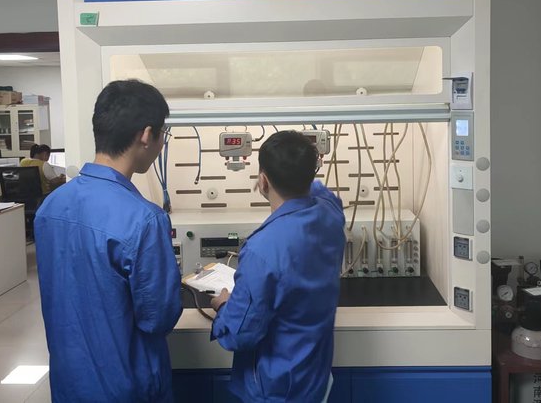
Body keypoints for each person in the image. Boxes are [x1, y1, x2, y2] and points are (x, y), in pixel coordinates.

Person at [34, 80, 182, 402]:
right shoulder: (145, 219)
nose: (161, 144)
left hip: (69, 384)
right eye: (163, 134)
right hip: (128, 387)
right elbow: (158, 317)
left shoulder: (50, 207)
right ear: (146, 135)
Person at [210, 130, 346, 403]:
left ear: (263, 181)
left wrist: (223, 306)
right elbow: (318, 189)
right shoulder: (330, 212)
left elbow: (240, 335)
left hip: (276, 391)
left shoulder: (262, 250)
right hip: (315, 380)